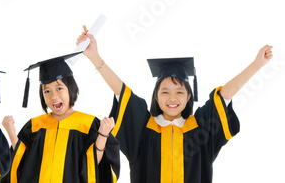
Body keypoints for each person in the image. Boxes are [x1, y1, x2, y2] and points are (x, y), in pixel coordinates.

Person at [77, 32, 273, 183]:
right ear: (156, 96)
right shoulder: (144, 131)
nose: (172, 97)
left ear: (189, 96)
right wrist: (95, 56)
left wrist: (257, 64)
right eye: (165, 91)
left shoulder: (201, 129)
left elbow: (224, 96)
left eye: (179, 92)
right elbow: (122, 92)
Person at [3, 52, 121, 182]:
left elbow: (93, 167)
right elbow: (22, 161)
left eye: (59, 88)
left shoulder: (88, 124)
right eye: (47, 91)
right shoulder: (34, 125)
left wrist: (103, 135)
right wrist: (11, 133)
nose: (53, 96)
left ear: (71, 89)